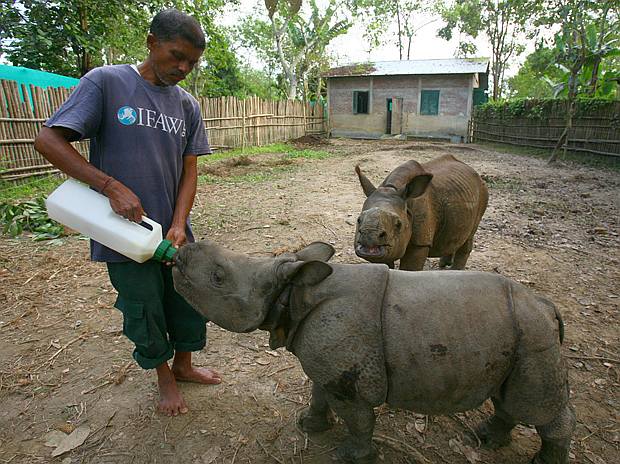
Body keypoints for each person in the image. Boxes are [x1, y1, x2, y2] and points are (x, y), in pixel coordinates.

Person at [34, 8, 221, 416]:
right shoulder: (106, 82)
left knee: (187, 297)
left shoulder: (187, 105)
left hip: (171, 232)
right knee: (143, 304)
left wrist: (177, 223)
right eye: (176, 55)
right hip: (119, 231)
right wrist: (110, 186)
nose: (184, 67)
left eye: (192, 61)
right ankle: (164, 377)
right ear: (151, 42)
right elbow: (49, 139)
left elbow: (190, 169)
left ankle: (185, 365)